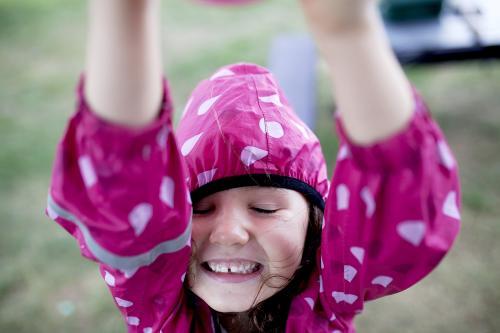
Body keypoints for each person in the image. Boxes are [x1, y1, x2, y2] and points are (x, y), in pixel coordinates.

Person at [46, 0, 461, 332]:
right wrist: (122, 9)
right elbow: (121, 183)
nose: (229, 232)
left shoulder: (327, 297)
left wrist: (349, 33)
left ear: (316, 225)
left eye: (264, 208)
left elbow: (400, 200)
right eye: (200, 208)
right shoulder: (160, 307)